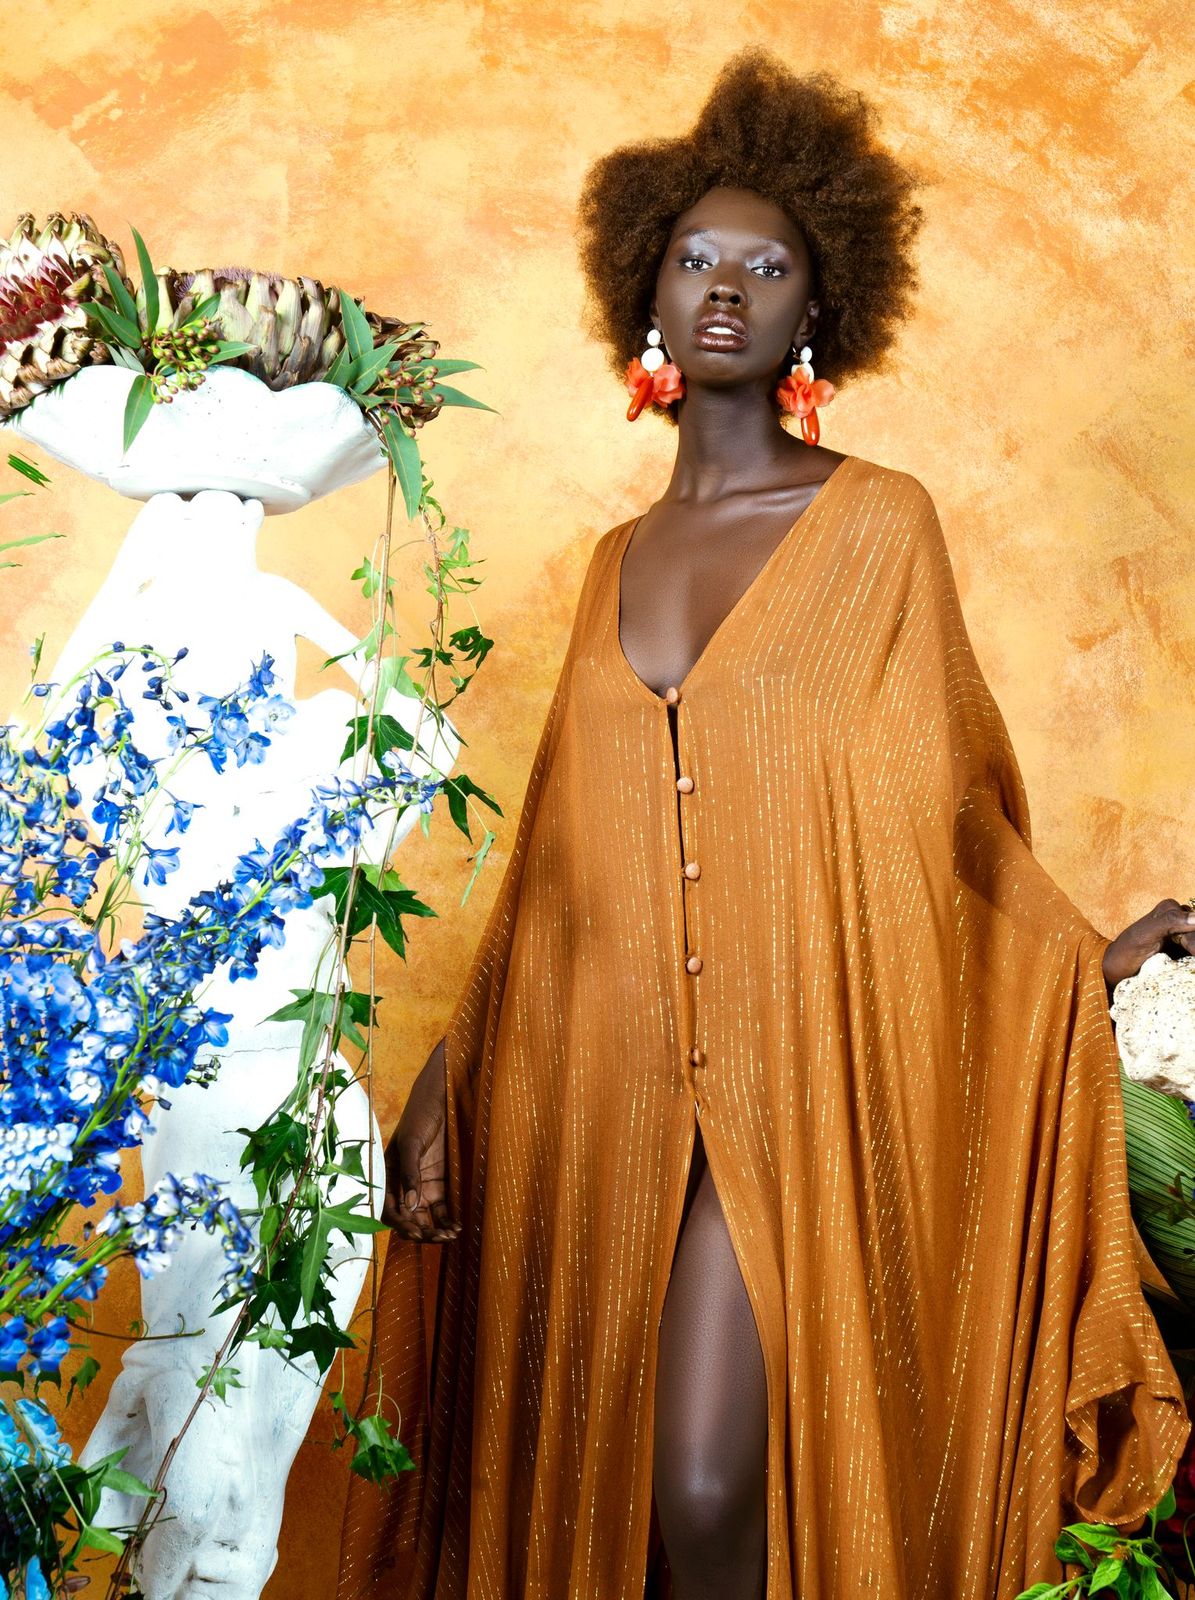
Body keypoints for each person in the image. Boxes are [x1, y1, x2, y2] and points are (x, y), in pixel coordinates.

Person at [338, 49, 1192, 1600]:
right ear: (646, 293)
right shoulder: (610, 563)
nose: (723, 288)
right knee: (616, 1500)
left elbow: (943, 824)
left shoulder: (880, 528)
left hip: (794, 1077)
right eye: (694, 260)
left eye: (766, 266)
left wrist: (1087, 962)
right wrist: (451, 1079)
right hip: (588, 1093)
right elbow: (561, 871)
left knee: (709, 1481)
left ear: (819, 310)